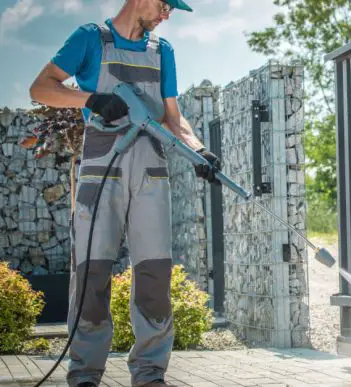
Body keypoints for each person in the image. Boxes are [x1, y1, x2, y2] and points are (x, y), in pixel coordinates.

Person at [28, 1, 221, 386]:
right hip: (101, 171)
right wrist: (90, 99)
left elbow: (172, 116)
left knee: (155, 275)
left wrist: (198, 150)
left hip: (151, 171)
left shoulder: (161, 51)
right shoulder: (89, 39)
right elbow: (40, 88)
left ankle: (150, 375)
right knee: (91, 274)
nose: (168, 14)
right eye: (166, 4)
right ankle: (85, 374)